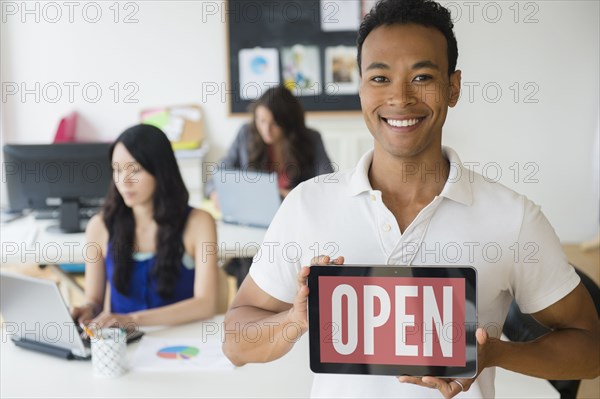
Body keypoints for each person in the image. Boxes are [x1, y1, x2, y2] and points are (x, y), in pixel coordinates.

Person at [223, 1, 599, 398]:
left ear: (452, 87)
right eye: (380, 78)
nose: (400, 98)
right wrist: (294, 320)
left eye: (421, 76)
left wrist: (493, 355)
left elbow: (591, 350)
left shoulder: (512, 217)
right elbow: (234, 339)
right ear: (361, 88)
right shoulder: (308, 204)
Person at [72, 124, 219, 328]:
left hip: (181, 344)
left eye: (136, 170)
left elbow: (205, 304)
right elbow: (95, 300)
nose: (124, 181)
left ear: (159, 170)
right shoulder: (99, 226)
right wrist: (87, 309)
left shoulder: (199, 223)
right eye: (117, 170)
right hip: (124, 346)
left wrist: (133, 320)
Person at [205, 85, 334, 287]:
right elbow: (219, 174)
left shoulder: (311, 139)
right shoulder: (246, 134)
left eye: (274, 123)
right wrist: (214, 192)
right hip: (253, 225)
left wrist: (284, 194)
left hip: (294, 225)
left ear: (289, 122)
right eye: (261, 121)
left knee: (290, 274)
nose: (266, 129)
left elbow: (328, 186)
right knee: (251, 270)